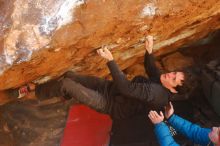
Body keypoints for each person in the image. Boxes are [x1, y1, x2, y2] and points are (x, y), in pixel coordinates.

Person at [148, 102, 220, 146]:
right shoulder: (213, 136)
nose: (214, 128)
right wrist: (171, 117)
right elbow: (195, 132)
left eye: (218, 133)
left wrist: (159, 125)